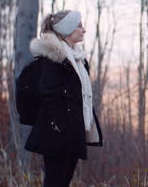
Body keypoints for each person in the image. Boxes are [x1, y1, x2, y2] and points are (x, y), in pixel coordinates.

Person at [24, 10, 103, 187]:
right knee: (55, 181)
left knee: (63, 181)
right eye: (79, 26)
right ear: (67, 30)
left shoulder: (77, 58)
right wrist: (60, 125)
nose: (84, 30)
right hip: (58, 133)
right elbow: (49, 94)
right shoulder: (55, 57)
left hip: (73, 131)